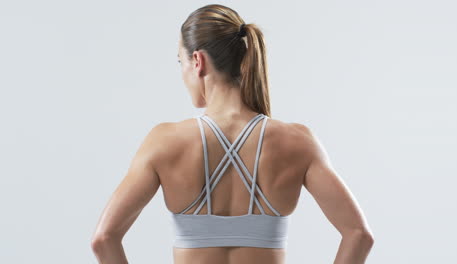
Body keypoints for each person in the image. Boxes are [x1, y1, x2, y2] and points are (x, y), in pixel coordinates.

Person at [91, 4, 374, 264]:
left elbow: (104, 239)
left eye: (181, 62)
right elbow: (359, 234)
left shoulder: (164, 141)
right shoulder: (298, 142)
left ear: (197, 61)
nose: (182, 74)